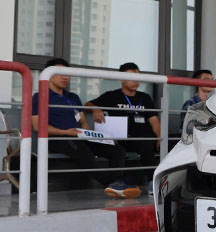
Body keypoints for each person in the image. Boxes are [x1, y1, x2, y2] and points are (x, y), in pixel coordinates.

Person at [31, 58, 137, 199]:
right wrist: (66, 132)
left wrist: (87, 132)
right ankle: (113, 184)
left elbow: (82, 121)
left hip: (80, 137)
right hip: (60, 138)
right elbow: (38, 126)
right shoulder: (39, 97)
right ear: (49, 74)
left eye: (67, 74)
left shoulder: (73, 97)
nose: (65, 77)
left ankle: (115, 184)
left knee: (117, 149)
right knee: (84, 151)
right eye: (60, 74)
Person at [86, 62, 161, 183]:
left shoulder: (145, 97)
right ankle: (121, 183)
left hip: (144, 138)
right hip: (122, 139)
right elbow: (87, 105)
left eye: (138, 78)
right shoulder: (112, 96)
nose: (135, 81)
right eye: (131, 78)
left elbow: (154, 122)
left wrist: (159, 138)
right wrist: (96, 108)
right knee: (136, 145)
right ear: (121, 79)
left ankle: (156, 182)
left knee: (151, 142)